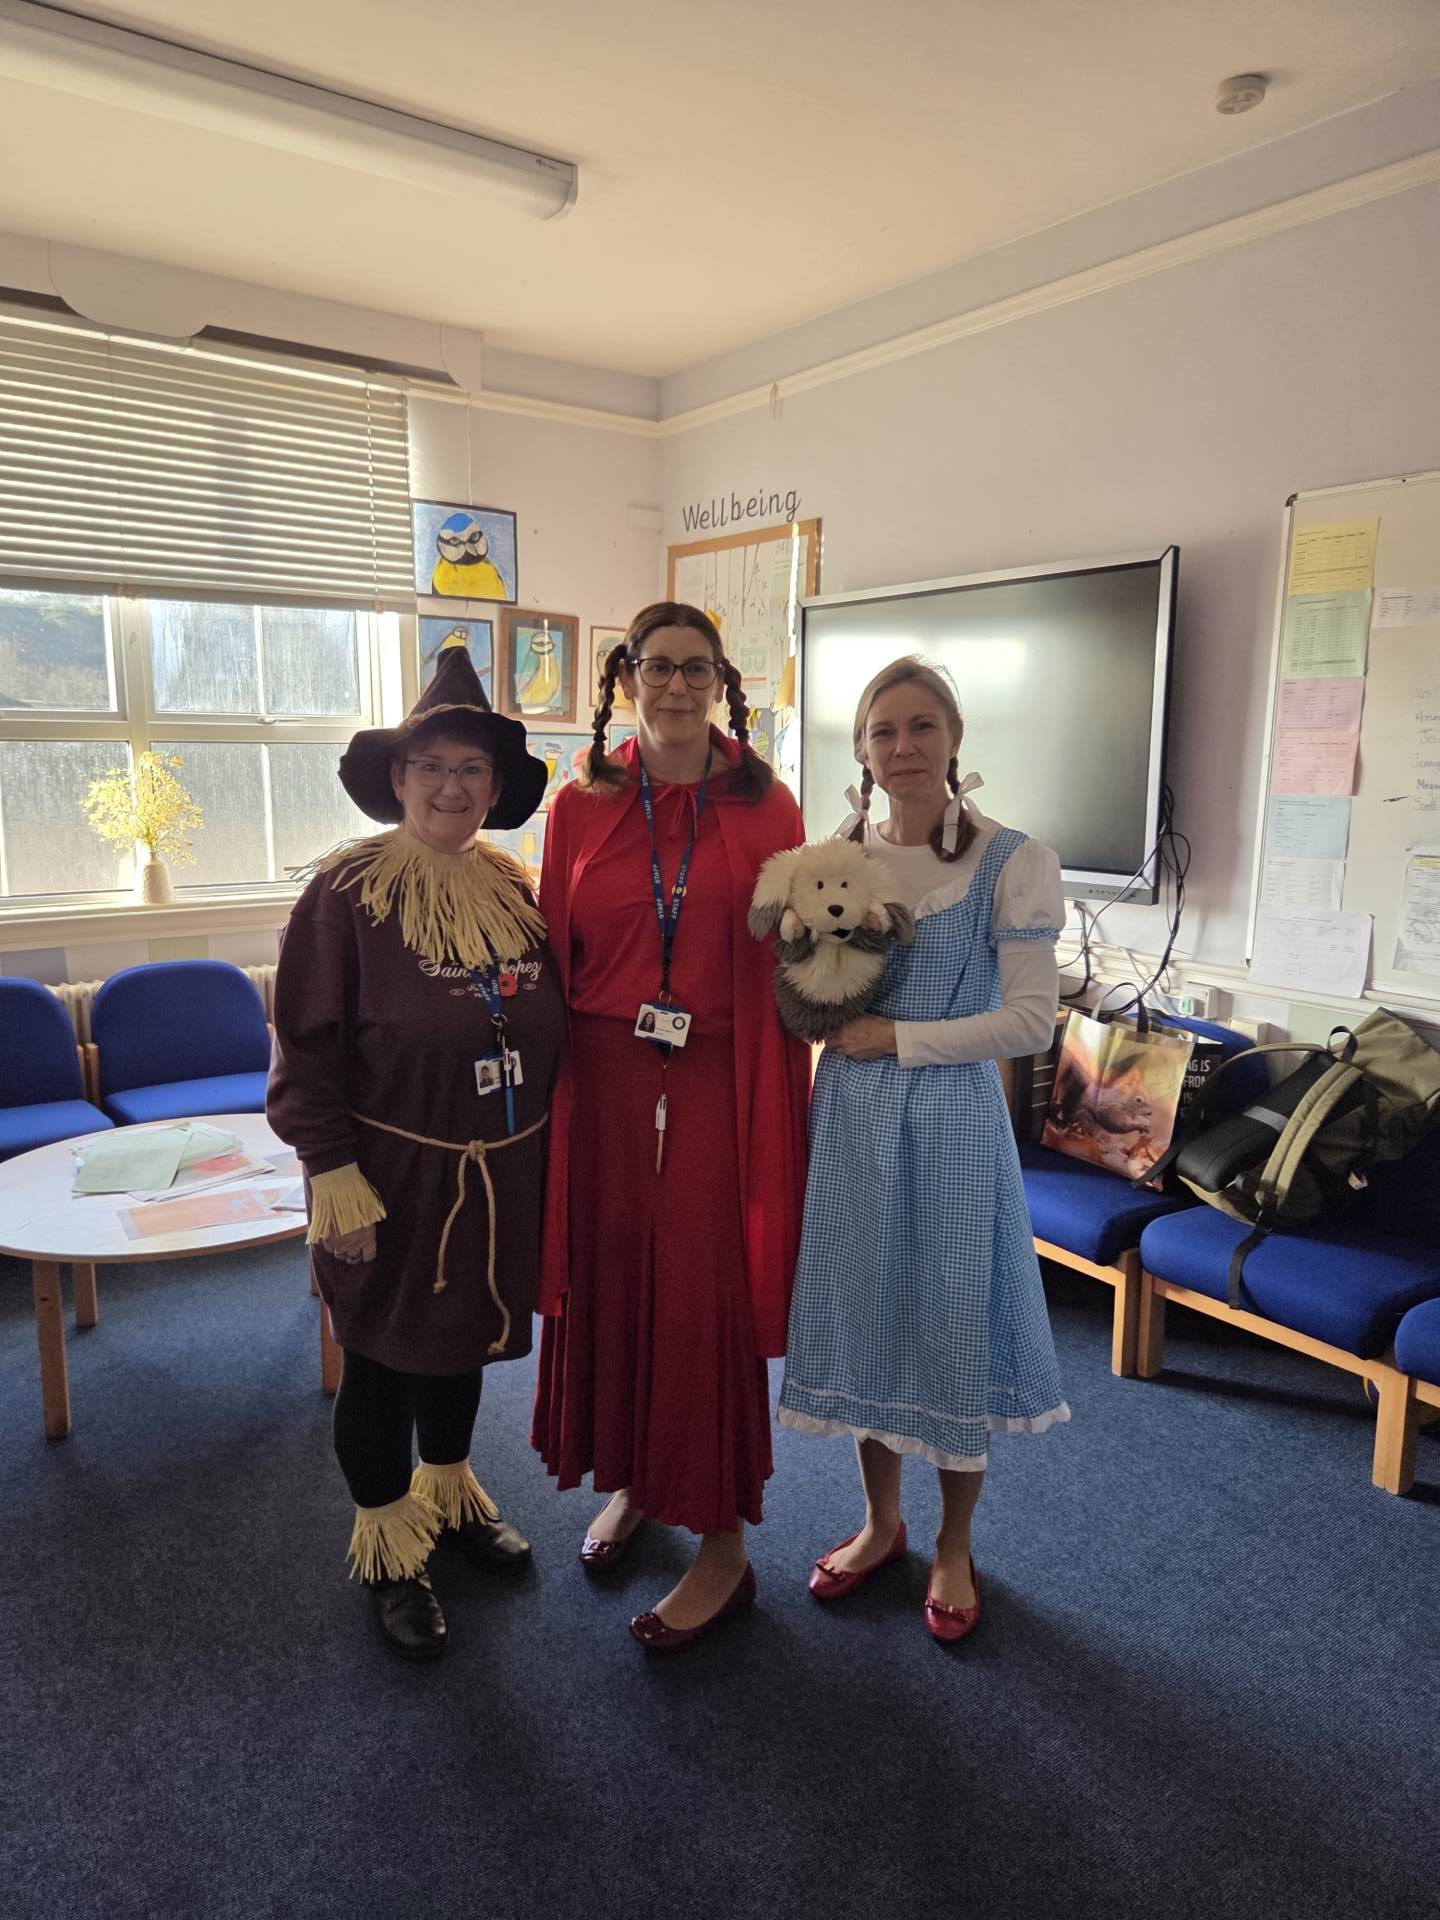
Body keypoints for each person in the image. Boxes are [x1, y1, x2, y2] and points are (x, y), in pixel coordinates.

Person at [267, 638, 564, 1661]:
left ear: (496, 786)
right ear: (396, 778)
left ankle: (449, 1492)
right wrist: (333, 1176)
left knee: (462, 1340)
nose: (451, 786)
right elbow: (303, 1049)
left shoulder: (514, 888)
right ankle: (391, 1549)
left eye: (472, 768)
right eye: (430, 765)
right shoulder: (344, 895)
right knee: (384, 1361)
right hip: (385, 1178)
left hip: (499, 1171)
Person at [532, 601, 809, 1651]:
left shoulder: (767, 805)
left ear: (722, 680)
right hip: (604, 1084)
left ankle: (723, 1545)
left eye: (697, 669)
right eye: (658, 667)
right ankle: (639, 1482)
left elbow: (796, 955)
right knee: (616, 1283)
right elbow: (552, 954)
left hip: (717, 1083)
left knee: (701, 1298)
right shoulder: (579, 804)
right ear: (627, 678)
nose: (678, 686)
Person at [778, 655, 1069, 1642]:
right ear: (861, 751)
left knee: (948, 1321)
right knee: (866, 1313)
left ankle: (953, 1542)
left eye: (921, 727)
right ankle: (879, 1522)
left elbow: (1030, 1020)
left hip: (950, 1119)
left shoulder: (1010, 859)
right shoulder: (834, 857)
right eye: (883, 731)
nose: (902, 747)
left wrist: (896, 1038)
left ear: (953, 740)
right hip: (851, 1116)